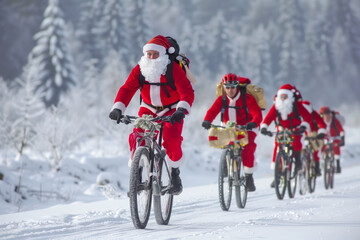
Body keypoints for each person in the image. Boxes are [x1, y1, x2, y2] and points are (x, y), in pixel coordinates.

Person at [109, 35, 195, 195]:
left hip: (172, 109)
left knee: (172, 139)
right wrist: (118, 109)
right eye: (149, 54)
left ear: (163, 54)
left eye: (155, 54)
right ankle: (138, 174)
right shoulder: (140, 69)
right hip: (148, 109)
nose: (152, 57)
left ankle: (175, 173)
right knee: (137, 136)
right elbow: (127, 89)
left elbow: (186, 91)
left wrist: (181, 110)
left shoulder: (173, 69)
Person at [202, 73, 263, 192]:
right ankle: (226, 160)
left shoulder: (246, 98)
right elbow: (212, 111)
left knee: (247, 147)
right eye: (227, 87)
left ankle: (249, 176)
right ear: (224, 87)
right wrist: (207, 120)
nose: (230, 90)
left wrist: (253, 123)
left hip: (247, 126)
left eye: (233, 87)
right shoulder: (222, 99)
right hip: (229, 127)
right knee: (223, 141)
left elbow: (257, 114)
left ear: (237, 86)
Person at [260, 84, 318, 188]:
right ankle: (277, 175)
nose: (283, 99)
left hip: (295, 129)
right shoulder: (276, 106)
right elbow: (268, 117)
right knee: (277, 146)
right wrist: (264, 127)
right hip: (281, 129)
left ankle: (298, 162)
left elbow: (307, 116)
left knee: (296, 143)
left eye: (285, 96)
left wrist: (303, 127)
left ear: (289, 97)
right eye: (281, 96)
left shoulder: (296, 105)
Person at [302, 100, 327, 176]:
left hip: (314, 134)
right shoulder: (298, 114)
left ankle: (316, 167)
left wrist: (321, 132)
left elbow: (322, 123)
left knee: (315, 149)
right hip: (303, 134)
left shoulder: (314, 114)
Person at [319, 106, 345, 173]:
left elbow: (341, 130)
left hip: (335, 137)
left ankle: (337, 164)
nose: (327, 116)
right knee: (320, 147)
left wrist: (342, 138)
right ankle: (320, 163)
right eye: (325, 115)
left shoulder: (334, 121)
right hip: (325, 138)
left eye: (328, 114)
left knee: (336, 146)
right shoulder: (320, 121)